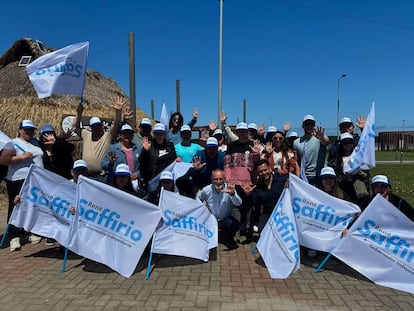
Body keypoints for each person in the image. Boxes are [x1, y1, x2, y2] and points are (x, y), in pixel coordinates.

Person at [6, 120, 44, 251]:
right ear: (20, 130)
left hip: (35, 181)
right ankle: (14, 237)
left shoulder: (35, 142)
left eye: (31, 130)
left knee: (30, 206)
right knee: (16, 206)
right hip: (18, 179)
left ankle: (26, 233)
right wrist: (21, 157)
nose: (29, 132)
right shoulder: (12, 143)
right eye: (26, 129)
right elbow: (3, 159)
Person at [224, 122, 261, 242]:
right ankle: (237, 230)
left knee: (249, 207)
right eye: (239, 131)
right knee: (236, 207)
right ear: (237, 132)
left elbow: (257, 163)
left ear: (247, 132)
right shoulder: (231, 146)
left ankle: (248, 230)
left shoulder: (253, 144)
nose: (242, 133)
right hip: (235, 182)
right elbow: (227, 164)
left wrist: (256, 153)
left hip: (250, 182)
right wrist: (229, 179)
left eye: (244, 131)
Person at [73, 96, 124, 180]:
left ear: (102, 126)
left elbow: (116, 124)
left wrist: (118, 111)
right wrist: (78, 113)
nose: (96, 128)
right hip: (86, 176)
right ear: (91, 128)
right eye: (94, 126)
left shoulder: (108, 136)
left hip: (102, 177)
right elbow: (75, 127)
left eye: (98, 126)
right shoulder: (86, 134)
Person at [197, 169, 241, 251]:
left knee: (234, 224)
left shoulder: (230, 189)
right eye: (215, 179)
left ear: (224, 179)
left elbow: (239, 203)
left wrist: (232, 194)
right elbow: (198, 198)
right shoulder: (206, 190)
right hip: (211, 219)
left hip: (225, 219)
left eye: (220, 179)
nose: (218, 182)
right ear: (211, 179)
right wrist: (203, 209)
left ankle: (227, 238)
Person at [240, 159, 286, 235]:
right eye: (260, 172)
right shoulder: (257, 188)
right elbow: (251, 204)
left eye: (265, 170)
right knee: (262, 229)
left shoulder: (282, 180)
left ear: (270, 169)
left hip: (283, 212)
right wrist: (248, 195)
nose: (264, 173)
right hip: (268, 214)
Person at [328, 132, 369, 204]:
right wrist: (343, 177)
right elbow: (333, 175)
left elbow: (366, 174)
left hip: (358, 189)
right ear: (341, 145)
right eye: (345, 143)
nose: (348, 145)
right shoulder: (336, 160)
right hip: (343, 189)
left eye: (350, 142)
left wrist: (355, 175)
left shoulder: (359, 157)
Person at [101, 123, 142, 188]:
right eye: (125, 133)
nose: (127, 135)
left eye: (129, 134)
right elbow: (103, 165)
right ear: (120, 135)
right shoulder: (112, 148)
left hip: (133, 185)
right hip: (115, 185)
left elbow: (145, 166)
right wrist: (110, 163)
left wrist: (138, 174)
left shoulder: (139, 149)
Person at [293, 114, 330, 186]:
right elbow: (297, 161)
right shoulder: (296, 142)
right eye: (307, 124)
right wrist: (298, 176)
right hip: (304, 176)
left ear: (314, 125)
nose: (309, 126)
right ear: (303, 126)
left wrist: (321, 137)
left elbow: (327, 142)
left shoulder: (319, 138)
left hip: (319, 175)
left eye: (311, 124)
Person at [139, 123, 177, 191]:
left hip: (166, 181)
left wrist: (177, 160)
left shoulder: (170, 146)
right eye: (156, 133)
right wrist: (145, 151)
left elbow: (173, 161)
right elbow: (141, 162)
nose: (159, 136)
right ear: (154, 134)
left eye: (161, 134)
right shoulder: (149, 145)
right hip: (151, 181)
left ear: (164, 134)